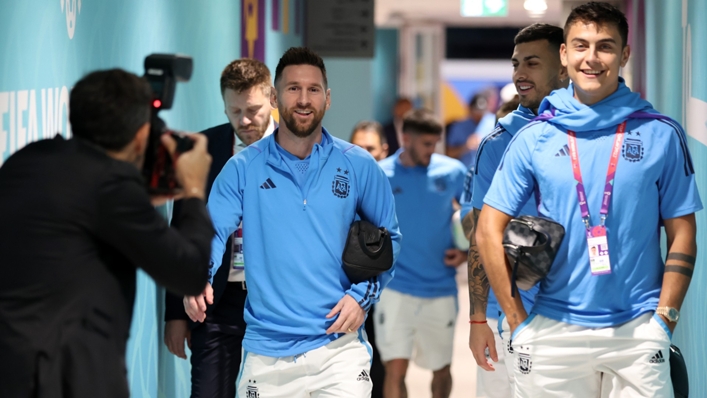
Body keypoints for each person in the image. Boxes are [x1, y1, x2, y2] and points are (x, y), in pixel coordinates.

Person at [476, 3, 701, 397]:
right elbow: (486, 230)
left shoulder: (662, 134)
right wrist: (518, 320)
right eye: (581, 46)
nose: (592, 58)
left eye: (605, 46)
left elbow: (683, 233)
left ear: (625, 55)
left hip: (637, 331)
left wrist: (664, 321)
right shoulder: (534, 137)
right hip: (552, 331)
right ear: (565, 54)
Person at [186, 47, 402, 398]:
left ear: (327, 98)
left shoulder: (359, 165)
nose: (303, 99)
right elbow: (210, 232)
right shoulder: (242, 169)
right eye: (292, 88)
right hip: (267, 356)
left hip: (339, 350)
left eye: (313, 89)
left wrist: (361, 296)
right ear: (274, 96)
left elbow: (390, 239)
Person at [0, 69, 213, 397]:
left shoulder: (28, 159)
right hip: (67, 379)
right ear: (142, 136)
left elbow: (78, 219)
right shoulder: (111, 189)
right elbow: (191, 273)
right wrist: (195, 189)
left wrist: (141, 199)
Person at [460, 23, 568, 398]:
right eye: (516, 63)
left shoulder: (594, 132)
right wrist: (479, 318)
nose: (520, 74)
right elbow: (480, 235)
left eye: (533, 63)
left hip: (586, 314)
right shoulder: (497, 144)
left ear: (564, 66)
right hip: (518, 313)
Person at [163, 58, 276, 398]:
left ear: (272, 97)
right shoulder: (199, 150)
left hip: (277, 301)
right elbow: (181, 231)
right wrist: (174, 312)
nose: (244, 120)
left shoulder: (299, 148)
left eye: (253, 109)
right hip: (215, 300)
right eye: (234, 110)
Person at [376, 108, 467, 398]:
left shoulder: (452, 172)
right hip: (394, 289)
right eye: (426, 144)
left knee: (441, 369)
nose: (432, 150)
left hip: (440, 288)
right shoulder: (381, 174)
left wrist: (465, 252)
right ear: (406, 138)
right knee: (395, 371)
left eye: (435, 144)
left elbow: (473, 217)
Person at [349, 119, 389, 398]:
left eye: (370, 148)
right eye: (358, 147)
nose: (364, 153)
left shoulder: (394, 185)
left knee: (386, 365)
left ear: (383, 151)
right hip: (349, 292)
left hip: (388, 290)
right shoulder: (338, 185)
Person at [445, 92, 496, 167]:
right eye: (476, 112)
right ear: (470, 109)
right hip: (465, 173)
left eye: (481, 112)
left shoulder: (495, 122)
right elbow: (449, 153)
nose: (478, 115)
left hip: (489, 173)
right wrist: (465, 147)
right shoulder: (459, 126)